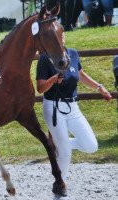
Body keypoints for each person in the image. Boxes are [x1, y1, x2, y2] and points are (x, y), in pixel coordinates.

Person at [36, 33, 112, 183]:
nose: (61, 37)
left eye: (62, 34)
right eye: (57, 35)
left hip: (73, 107)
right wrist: (54, 79)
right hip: (53, 107)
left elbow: (81, 75)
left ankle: (58, 143)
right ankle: (60, 185)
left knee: (91, 146)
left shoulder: (73, 53)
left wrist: (99, 87)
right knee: (65, 154)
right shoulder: (45, 58)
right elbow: (40, 88)